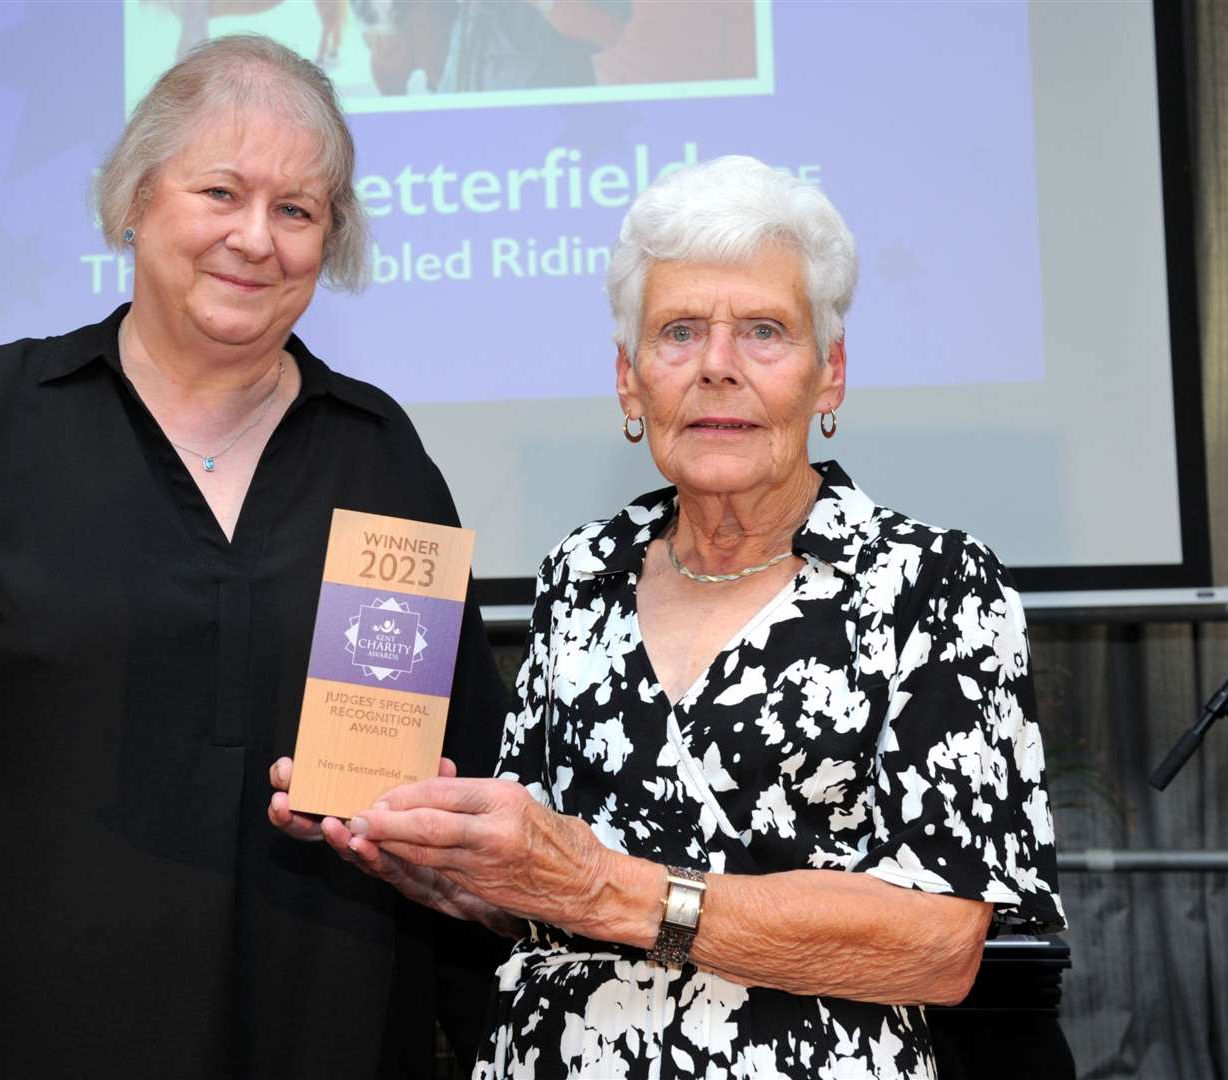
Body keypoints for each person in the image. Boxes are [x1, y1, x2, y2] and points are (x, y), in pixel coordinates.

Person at [0, 35, 508, 1080]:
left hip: (320, 1030)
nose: (256, 238)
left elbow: (456, 779)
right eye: (220, 191)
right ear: (134, 200)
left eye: (296, 210)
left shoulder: (379, 457)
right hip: (14, 1035)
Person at [270, 155, 1065, 1078]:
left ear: (830, 373)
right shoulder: (580, 573)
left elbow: (938, 944)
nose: (716, 368)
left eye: (763, 332)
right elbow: (543, 896)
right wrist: (436, 859)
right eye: (678, 332)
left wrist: (611, 889)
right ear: (629, 378)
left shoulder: (935, 586)